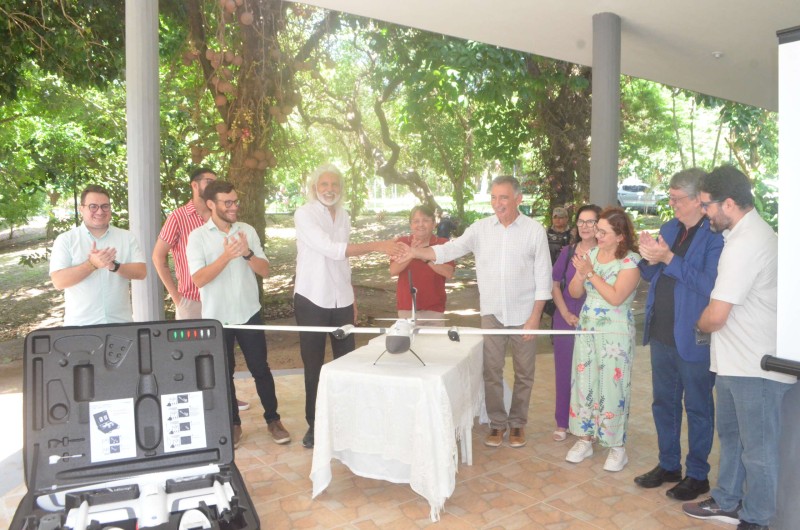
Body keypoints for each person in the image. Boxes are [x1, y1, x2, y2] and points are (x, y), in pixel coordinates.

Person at [682, 166, 796, 530]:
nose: (704, 212)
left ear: (728, 203)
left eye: (706, 205)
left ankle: (757, 519)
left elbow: (715, 316)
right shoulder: (741, 236)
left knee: (758, 452)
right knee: (732, 439)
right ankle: (727, 500)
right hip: (735, 362)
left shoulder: (748, 243)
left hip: (756, 366)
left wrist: (698, 322)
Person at [403, 175, 552, 449]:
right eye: (494, 197)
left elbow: (543, 278)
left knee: (524, 373)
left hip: (525, 314)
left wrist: (535, 318)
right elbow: (451, 248)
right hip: (491, 313)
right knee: (491, 371)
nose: (498, 203)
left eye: (503, 197)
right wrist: (419, 253)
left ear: (518, 199)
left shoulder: (534, 231)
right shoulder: (480, 229)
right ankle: (497, 423)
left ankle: (517, 423)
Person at [294, 163, 405, 449]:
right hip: (311, 298)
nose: (329, 190)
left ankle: (346, 421)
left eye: (335, 185)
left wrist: (351, 298)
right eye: (324, 184)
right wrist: (378, 245)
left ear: (341, 189)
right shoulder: (304, 214)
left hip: (341, 299)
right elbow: (332, 250)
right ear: (314, 188)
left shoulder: (343, 215)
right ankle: (315, 425)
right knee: (313, 365)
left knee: (347, 362)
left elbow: (342, 263)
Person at [634, 169, 723, 500]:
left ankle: (698, 475)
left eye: (677, 198)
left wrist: (668, 257)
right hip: (662, 330)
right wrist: (647, 256)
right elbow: (652, 274)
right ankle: (669, 464)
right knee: (664, 403)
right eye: (669, 197)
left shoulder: (715, 236)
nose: (671, 204)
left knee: (698, 406)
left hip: (694, 334)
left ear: (699, 199)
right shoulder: (670, 228)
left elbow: (710, 285)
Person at [186, 180, 289, 447]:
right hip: (218, 318)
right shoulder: (197, 237)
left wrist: (247, 253)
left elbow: (264, 270)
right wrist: (225, 256)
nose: (234, 207)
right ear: (211, 204)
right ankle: (233, 424)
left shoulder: (247, 231)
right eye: (227, 202)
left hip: (248, 313)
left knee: (260, 369)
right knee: (224, 372)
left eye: (235, 201)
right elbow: (198, 279)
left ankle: (273, 420)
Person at [152, 168, 250, 412]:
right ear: (194, 185)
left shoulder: (222, 215)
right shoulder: (178, 217)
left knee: (222, 355)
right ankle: (194, 408)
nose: (213, 184)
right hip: (193, 301)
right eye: (208, 181)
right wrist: (176, 297)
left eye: (216, 181)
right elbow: (158, 256)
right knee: (190, 356)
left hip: (222, 301)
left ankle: (226, 399)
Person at [565, 207, 640, 472]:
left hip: (615, 333)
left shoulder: (630, 261)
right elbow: (575, 293)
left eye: (604, 232)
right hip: (587, 328)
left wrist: (590, 273)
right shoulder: (591, 255)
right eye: (598, 230)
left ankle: (616, 446)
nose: (597, 235)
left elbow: (616, 297)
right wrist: (581, 273)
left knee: (612, 386)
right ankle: (585, 438)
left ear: (620, 236)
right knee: (585, 382)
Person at [50, 184, 146, 325]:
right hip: (80, 325)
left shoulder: (126, 237)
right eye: (93, 206)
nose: (100, 211)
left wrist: (114, 266)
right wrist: (91, 265)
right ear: (81, 209)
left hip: (120, 323)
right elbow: (58, 282)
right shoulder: (66, 240)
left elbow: (141, 272)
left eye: (105, 206)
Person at [550, 204, 601, 442]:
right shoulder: (568, 252)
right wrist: (565, 313)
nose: (585, 226)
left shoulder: (605, 253)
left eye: (590, 221)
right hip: (566, 317)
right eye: (581, 221)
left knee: (592, 372)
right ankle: (563, 421)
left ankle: (590, 423)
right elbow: (554, 285)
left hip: (595, 319)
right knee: (564, 370)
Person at [389, 205, 455, 324]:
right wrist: (411, 252)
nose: (420, 225)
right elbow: (393, 270)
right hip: (407, 308)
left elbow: (448, 272)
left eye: (425, 220)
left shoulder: (443, 244)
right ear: (411, 225)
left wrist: (422, 255)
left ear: (434, 224)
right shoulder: (402, 243)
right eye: (416, 221)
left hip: (434, 309)